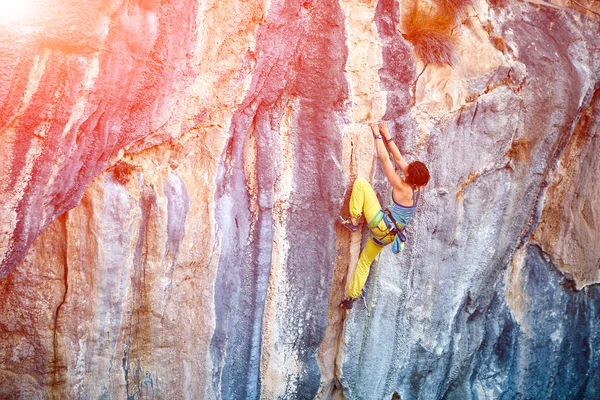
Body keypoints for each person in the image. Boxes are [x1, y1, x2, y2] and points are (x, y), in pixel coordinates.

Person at [336, 122, 430, 309]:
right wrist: (387, 135)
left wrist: (376, 135)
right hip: (390, 235)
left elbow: (386, 159)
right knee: (364, 262)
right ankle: (351, 297)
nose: (407, 166)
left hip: (381, 225)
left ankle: (353, 220)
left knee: (362, 184)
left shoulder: (401, 186)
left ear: (409, 175)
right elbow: (398, 157)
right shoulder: (418, 187)